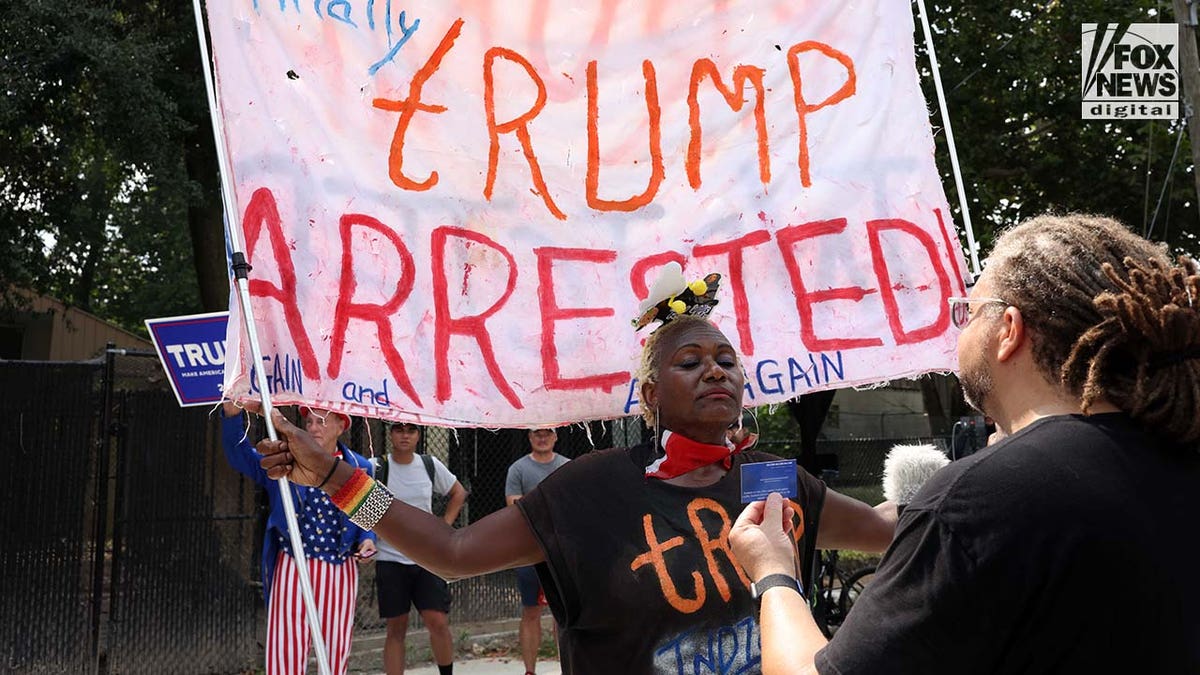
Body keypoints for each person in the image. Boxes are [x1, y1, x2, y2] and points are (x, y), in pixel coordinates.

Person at [254, 312, 896, 673]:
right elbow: (449, 553)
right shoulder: (590, 487)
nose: (715, 370)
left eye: (726, 359)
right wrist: (339, 480)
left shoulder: (778, 483)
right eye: (690, 360)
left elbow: (891, 532)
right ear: (650, 397)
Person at [730, 214, 1200, 674]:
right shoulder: (1176, 453)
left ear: (1009, 330)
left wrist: (774, 573)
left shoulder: (979, 501)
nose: (959, 330)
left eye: (968, 311)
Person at [220, 402, 377, 675]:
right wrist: (232, 415)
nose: (314, 427)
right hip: (293, 564)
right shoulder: (284, 461)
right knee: (285, 649)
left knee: (336, 649)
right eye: (310, 422)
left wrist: (367, 539)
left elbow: (369, 518)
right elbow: (239, 455)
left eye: (322, 421)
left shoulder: (359, 467)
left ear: (341, 426)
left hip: (339, 568)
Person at [373, 422, 468, 675]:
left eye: (411, 430)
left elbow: (458, 492)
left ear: (418, 435)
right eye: (399, 429)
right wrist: (369, 536)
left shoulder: (429, 464)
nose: (405, 435)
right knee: (396, 628)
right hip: (390, 557)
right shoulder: (377, 467)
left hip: (426, 558)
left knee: (437, 621)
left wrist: (443, 526)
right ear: (390, 434)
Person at [504, 428, 569, 675]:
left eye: (547, 433)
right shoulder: (518, 469)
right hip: (528, 551)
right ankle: (530, 671)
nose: (542, 438)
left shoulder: (567, 466)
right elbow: (513, 506)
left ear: (555, 436)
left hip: (561, 551)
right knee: (531, 611)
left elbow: (573, 505)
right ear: (530, 437)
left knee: (562, 613)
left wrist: (533, 505)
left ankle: (566, 667)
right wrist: (552, 506)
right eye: (537, 433)